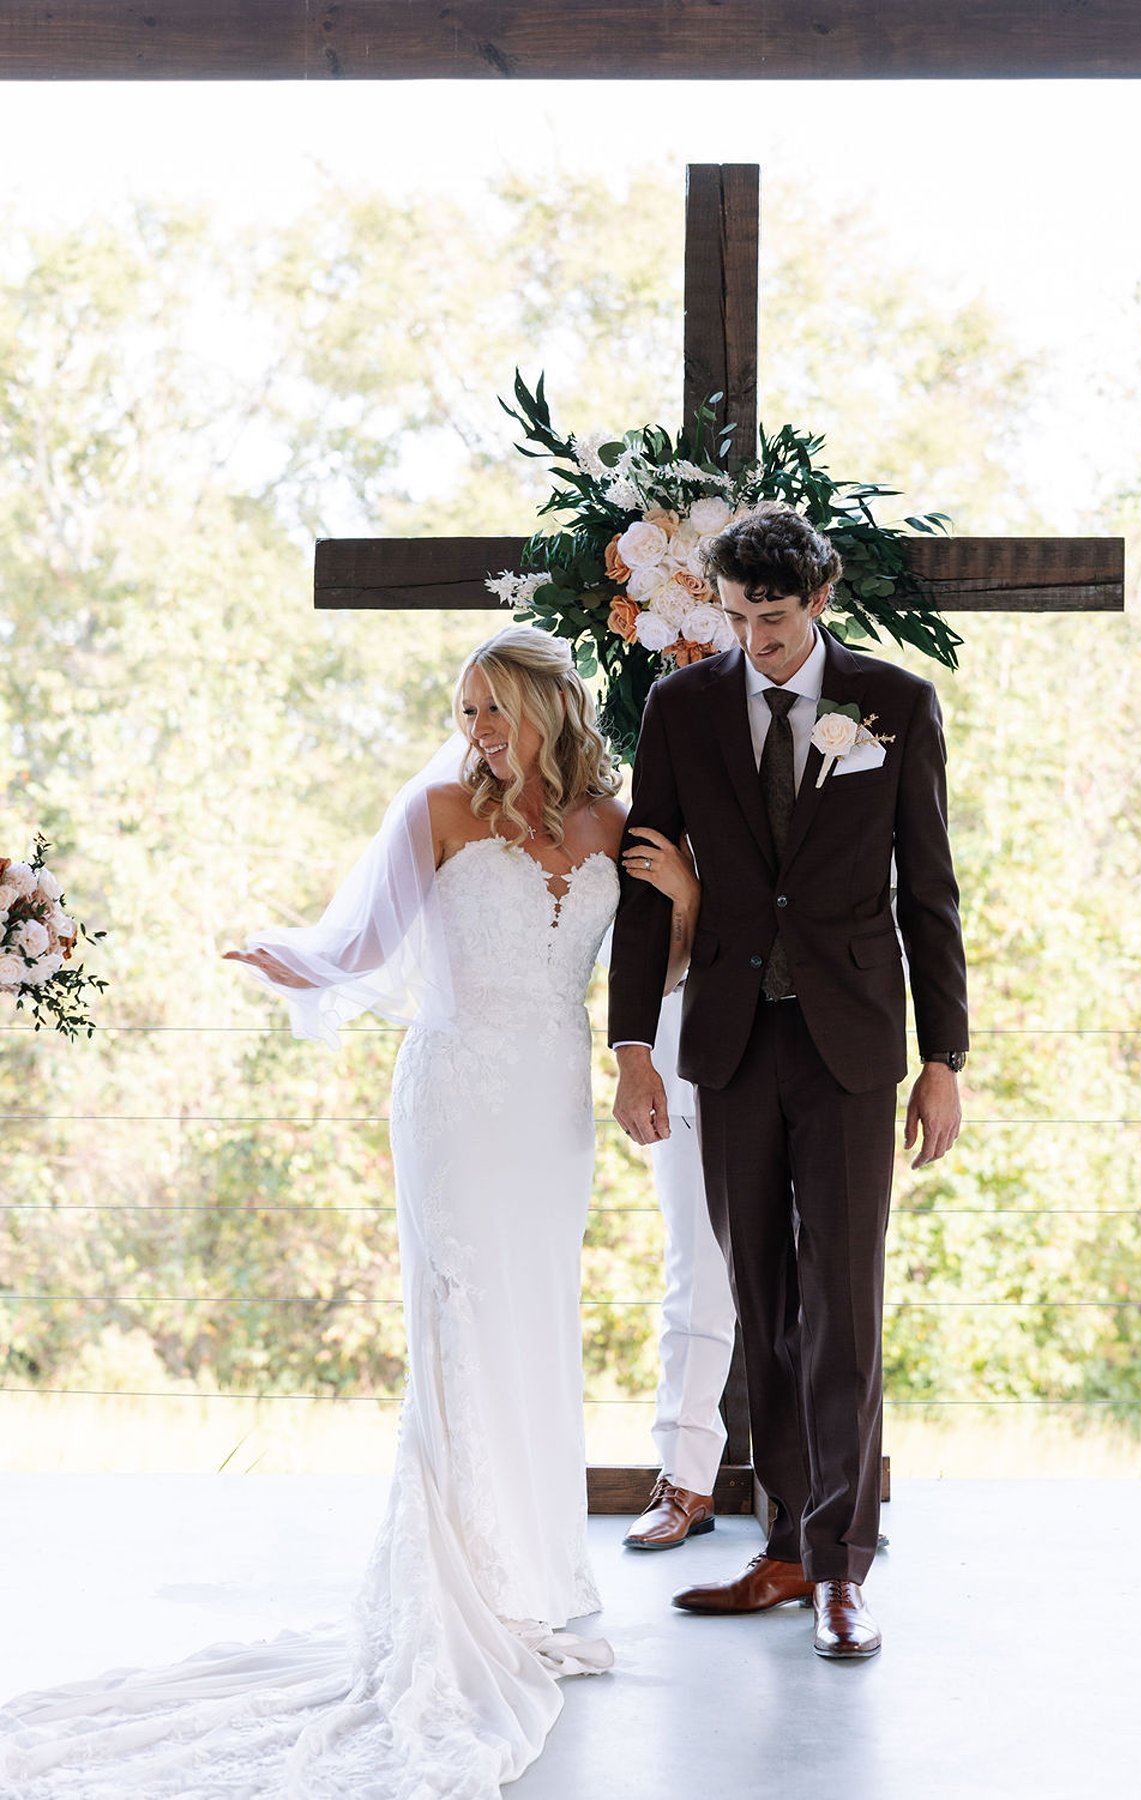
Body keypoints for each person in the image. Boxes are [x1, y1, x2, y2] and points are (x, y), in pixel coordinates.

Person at [0, 626, 684, 1797]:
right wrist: (290, 958)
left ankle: (535, 1581)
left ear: (547, 714)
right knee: (463, 1327)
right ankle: (456, 1589)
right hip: (454, 1096)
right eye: (464, 712)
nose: (475, 733)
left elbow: (651, 974)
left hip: (548, 1108)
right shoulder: (436, 812)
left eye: (492, 712)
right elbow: (364, 943)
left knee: (535, 1329)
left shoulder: (614, 831)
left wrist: (689, 902)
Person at [608, 507, 968, 1659]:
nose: (752, 639)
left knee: (841, 1309)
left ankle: (841, 1569)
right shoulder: (682, 707)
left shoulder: (895, 705)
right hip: (726, 1040)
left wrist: (944, 1061)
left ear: (819, 601)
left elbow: (931, 895)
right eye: (735, 617)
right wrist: (627, 1046)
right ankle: (780, 1551)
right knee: (760, 1300)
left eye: (772, 618)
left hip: (855, 1043)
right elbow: (643, 887)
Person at [619, 853, 738, 1553]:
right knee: (696, 1280)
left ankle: (820, 1485)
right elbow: (637, 960)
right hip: (684, 1061)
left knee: (819, 1283)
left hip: (808, 1052)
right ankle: (686, 1477)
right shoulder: (651, 825)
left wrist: (695, 894)